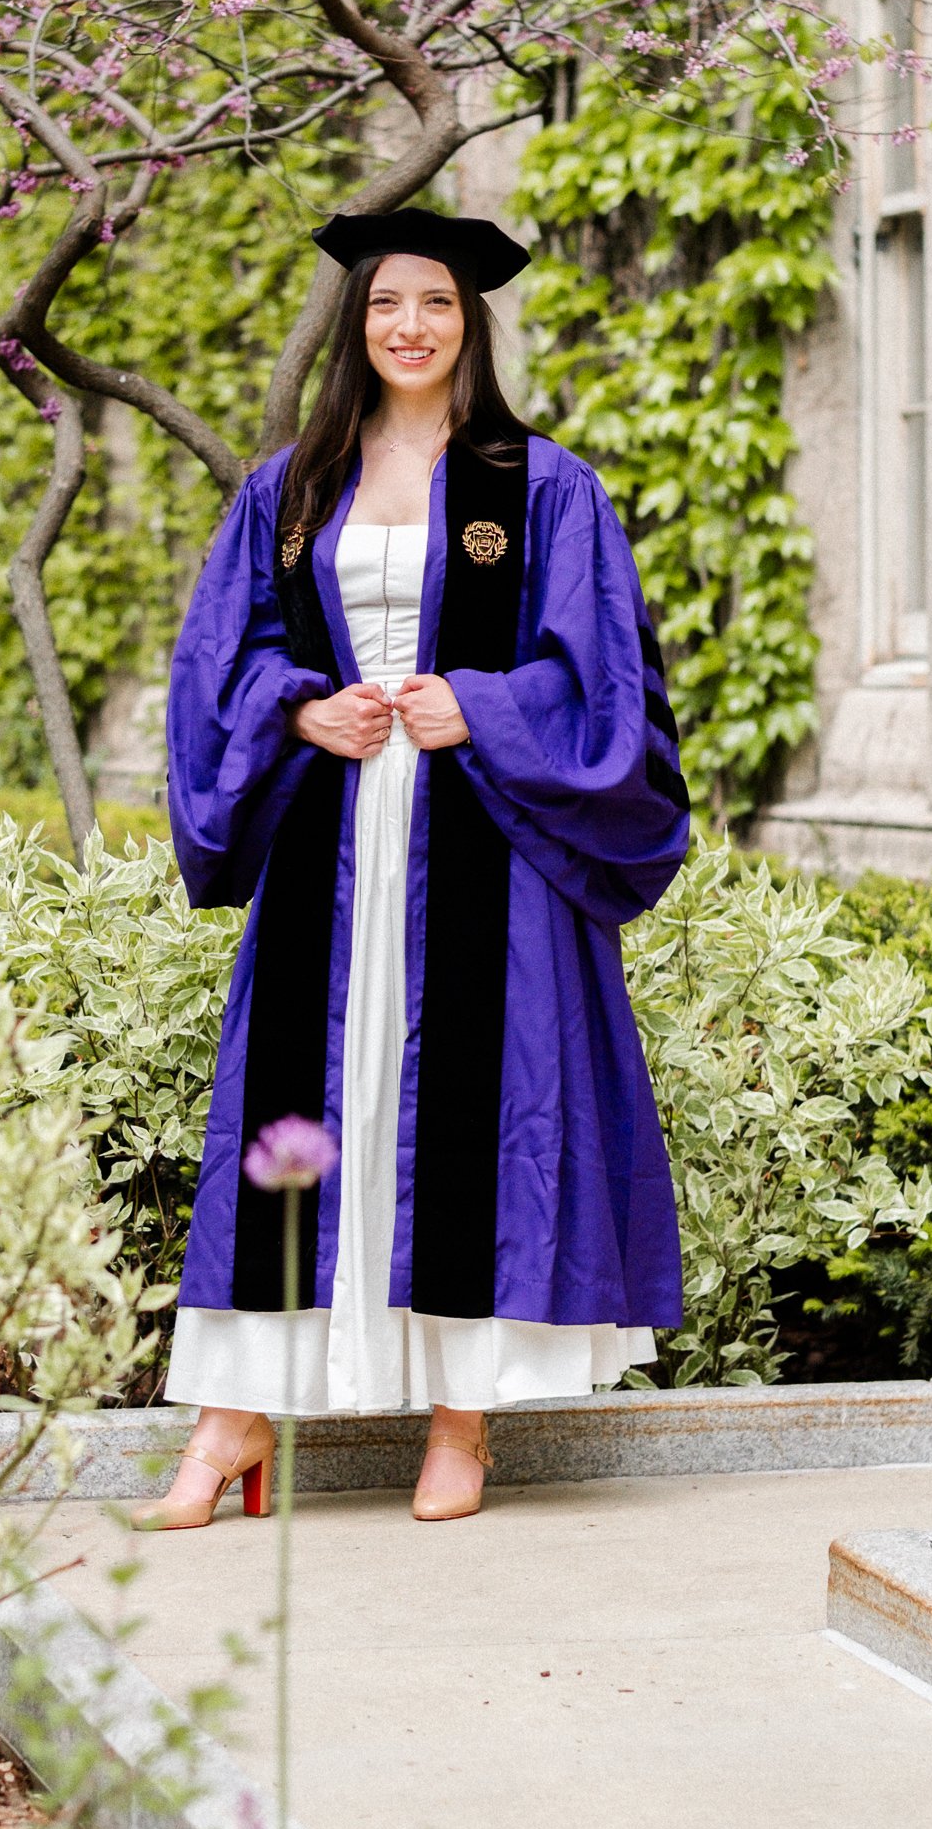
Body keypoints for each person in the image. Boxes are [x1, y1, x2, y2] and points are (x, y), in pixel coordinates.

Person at [146, 205, 690, 1530]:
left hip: (482, 838)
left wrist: (484, 710)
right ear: (357, 323)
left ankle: (463, 1421)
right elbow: (226, 656)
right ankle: (230, 1426)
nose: (411, 327)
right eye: (389, 304)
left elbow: (603, 677)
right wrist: (297, 709)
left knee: (467, 1117)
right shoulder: (291, 488)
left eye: (437, 305)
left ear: (470, 324)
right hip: (333, 840)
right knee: (303, 1125)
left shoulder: (542, 485)